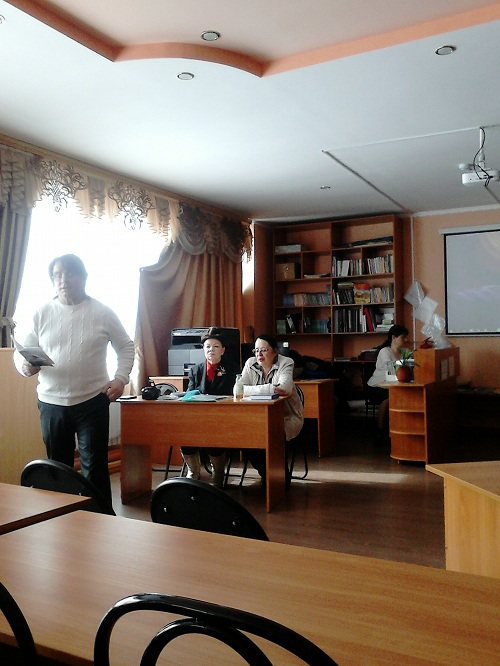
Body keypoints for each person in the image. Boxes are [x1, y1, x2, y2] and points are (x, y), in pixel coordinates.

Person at [14, 254, 134, 507]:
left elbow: (125, 346)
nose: (63, 279)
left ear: (84, 277)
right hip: (51, 403)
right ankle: (63, 518)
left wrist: (121, 378)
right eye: (57, 274)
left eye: (70, 273)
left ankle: (101, 517)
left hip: (93, 401)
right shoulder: (41, 313)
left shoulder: (102, 312)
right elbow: (21, 351)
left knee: (95, 468)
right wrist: (24, 366)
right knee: (57, 468)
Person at [181, 328, 240, 487]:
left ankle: (218, 472)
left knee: (213, 432)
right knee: (184, 432)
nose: (211, 350)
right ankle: (193, 471)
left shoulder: (233, 369)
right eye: (207, 346)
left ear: (223, 350)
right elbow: (190, 394)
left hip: (222, 416)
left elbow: (236, 395)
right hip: (198, 416)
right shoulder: (195, 370)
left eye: (215, 346)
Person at [240, 333, 304, 480]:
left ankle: (279, 476)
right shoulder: (250, 363)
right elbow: (239, 389)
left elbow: (285, 388)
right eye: (256, 350)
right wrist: (271, 388)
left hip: (286, 416)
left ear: (275, 352)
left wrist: (250, 390)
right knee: (243, 437)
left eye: (263, 350)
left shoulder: (286, 362)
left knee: (272, 434)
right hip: (257, 418)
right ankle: (267, 474)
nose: (259, 354)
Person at [367, 324, 409, 444]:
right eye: (403, 337)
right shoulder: (384, 351)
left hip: (395, 385)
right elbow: (392, 369)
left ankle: (400, 429)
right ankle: (380, 431)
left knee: (405, 396)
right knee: (388, 399)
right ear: (394, 338)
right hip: (377, 386)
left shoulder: (404, 351)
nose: (406, 340)